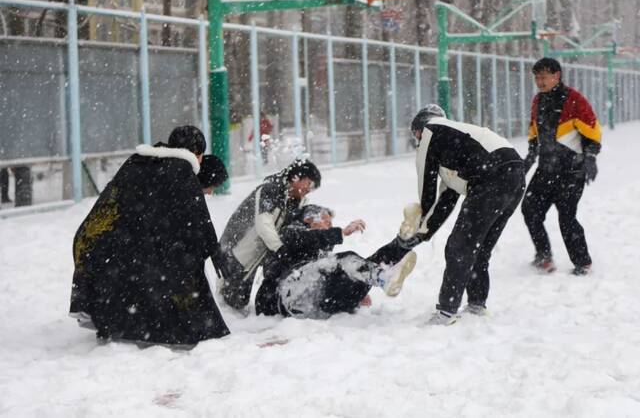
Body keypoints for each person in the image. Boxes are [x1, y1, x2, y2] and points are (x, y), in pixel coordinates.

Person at [69, 126, 230, 347]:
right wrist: (213, 251)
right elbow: (198, 220)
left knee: (134, 272)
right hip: (138, 246)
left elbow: (115, 200)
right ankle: (174, 330)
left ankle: (119, 324)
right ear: (197, 153)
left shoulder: (138, 161)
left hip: (108, 243)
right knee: (178, 269)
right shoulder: (182, 170)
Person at [403, 104, 526, 325]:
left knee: (458, 247)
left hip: (490, 176)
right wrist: (424, 233)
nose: (417, 141)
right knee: (478, 247)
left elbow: (426, 188)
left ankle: (447, 311)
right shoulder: (460, 145)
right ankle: (477, 304)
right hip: (515, 174)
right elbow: (445, 202)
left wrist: (418, 224)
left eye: (416, 135)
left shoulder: (432, 131)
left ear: (419, 128)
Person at [255, 204, 417, 319]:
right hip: (286, 296)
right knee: (346, 260)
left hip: (320, 304)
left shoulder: (319, 252)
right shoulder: (291, 232)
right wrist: (341, 232)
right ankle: (384, 278)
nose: (330, 226)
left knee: (361, 271)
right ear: (309, 219)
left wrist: (358, 293)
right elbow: (307, 238)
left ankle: (404, 241)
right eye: (327, 221)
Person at [521, 57, 602, 276]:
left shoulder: (574, 100)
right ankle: (544, 256)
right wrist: (529, 159)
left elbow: (593, 133)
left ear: (557, 76)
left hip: (571, 170)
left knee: (566, 217)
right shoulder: (538, 100)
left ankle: (582, 262)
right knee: (530, 210)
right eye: (537, 77)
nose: (539, 81)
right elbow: (534, 132)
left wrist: (590, 158)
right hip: (546, 168)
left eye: (544, 77)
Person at [218, 158, 322, 310]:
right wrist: (280, 248)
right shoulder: (270, 190)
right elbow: (263, 224)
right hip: (237, 250)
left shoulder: (296, 201)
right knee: (230, 301)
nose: (309, 189)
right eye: (309, 183)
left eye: (313, 187)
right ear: (296, 177)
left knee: (239, 301)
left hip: (257, 253)